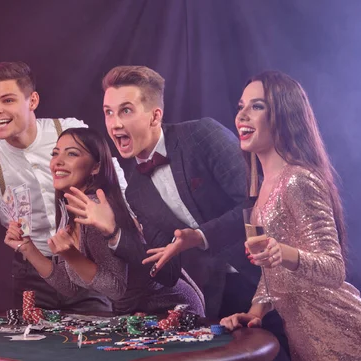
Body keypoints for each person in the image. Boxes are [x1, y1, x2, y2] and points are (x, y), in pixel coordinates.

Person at [0, 62, 127, 312]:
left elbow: (116, 180)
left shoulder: (67, 130)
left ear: (32, 100)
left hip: (87, 262)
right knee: (32, 347)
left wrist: (118, 232)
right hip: (33, 271)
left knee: (94, 343)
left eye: (7, 100)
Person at [220, 71, 361, 361]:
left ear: (282, 115)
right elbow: (276, 274)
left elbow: (334, 269)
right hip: (308, 343)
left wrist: (282, 251)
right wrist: (255, 311)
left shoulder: (298, 180)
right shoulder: (263, 190)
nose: (242, 115)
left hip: (348, 340)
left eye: (257, 106)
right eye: (241, 106)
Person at [101, 65, 259, 319]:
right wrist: (113, 231)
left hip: (269, 273)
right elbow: (166, 270)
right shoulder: (135, 191)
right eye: (108, 112)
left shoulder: (201, 135)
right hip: (220, 296)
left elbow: (257, 204)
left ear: (155, 116)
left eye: (125, 111)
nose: (115, 123)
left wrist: (199, 236)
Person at [6, 128, 204, 315]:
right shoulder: (68, 211)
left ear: (96, 167)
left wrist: (71, 255)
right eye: (55, 153)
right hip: (134, 314)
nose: (57, 162)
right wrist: (27, 248)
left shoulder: (96, 210)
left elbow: (116, 288)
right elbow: (69, 286)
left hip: (170, 308)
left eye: (71, 154)